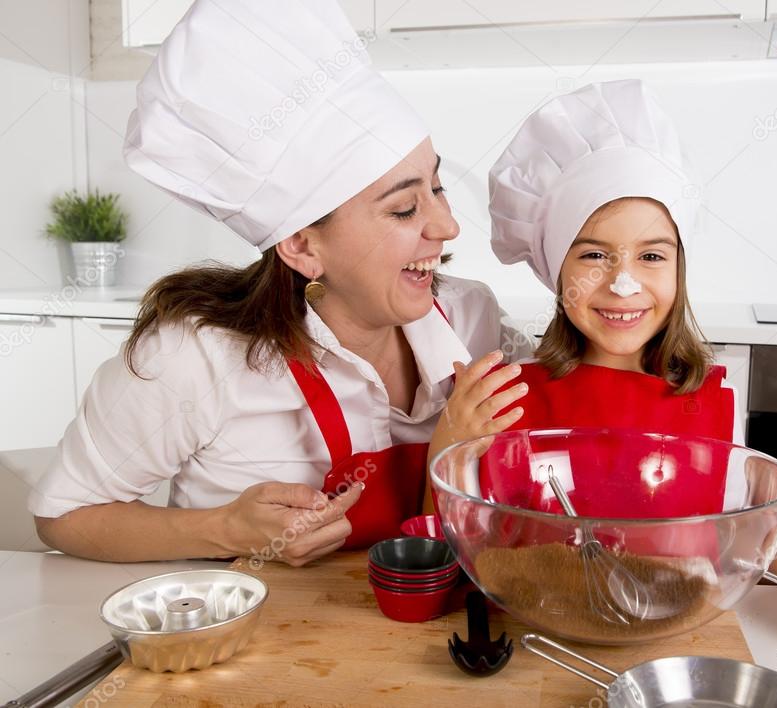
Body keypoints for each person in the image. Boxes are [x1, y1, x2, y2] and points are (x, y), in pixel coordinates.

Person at [28, 0, 530, 565]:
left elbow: (577, 391)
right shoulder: (195, 358)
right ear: (301, 245)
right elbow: (64, 517)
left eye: (437, 189)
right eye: (402, 210)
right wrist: (225, 529)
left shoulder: (472, 319)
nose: (448, 226)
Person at [428, 80, 777, 578]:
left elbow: (726, 562)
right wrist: (447, 441)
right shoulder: (506, 404)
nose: (622, 283)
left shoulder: (711, 406)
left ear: (680, 267)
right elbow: (441, 547)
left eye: (652, 255)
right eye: (594, 255)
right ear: (556, 268)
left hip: (676, 649)